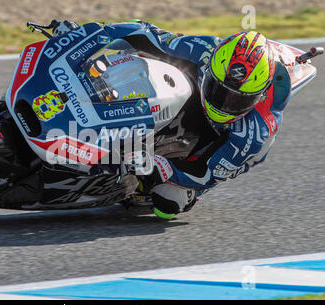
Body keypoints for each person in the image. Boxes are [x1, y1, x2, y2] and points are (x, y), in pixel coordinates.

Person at [52, 20, 291, 219]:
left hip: (211, 155)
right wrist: (87, 35)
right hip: (187, 98)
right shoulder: (204, 50)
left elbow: (204, 174)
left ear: (257, 97)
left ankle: (138, 187)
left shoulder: (252, 134)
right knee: (145, 56)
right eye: (217, 90)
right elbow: (145, 33)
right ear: (210, 69)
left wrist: (160, 166)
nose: (223, 104)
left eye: (236, 101)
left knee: (169, 203)